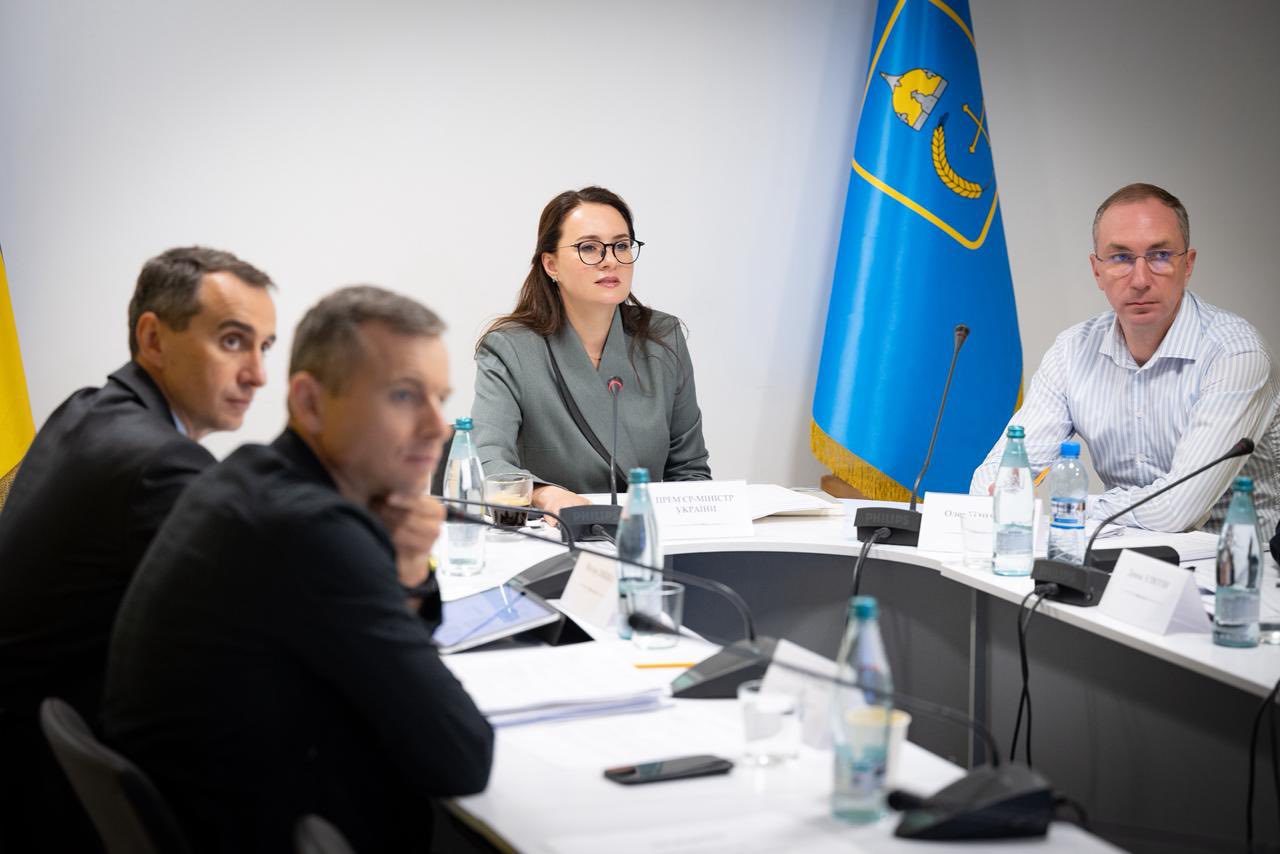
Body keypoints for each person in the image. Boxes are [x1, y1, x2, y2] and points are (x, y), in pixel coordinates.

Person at [104, 286, 493, 853]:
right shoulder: (312, 531)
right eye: (405, 396)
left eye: (441, 397)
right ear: (310, 403)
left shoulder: (250, 475)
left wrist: (408, 565)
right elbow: (461, 757)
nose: (438, 426)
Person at [0, 246, 276, 850]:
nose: (257, 374)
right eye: (233, 342)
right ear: (153, 339)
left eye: (265, 347)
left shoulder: (87, 409)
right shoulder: (160, 464)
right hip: (53, 792)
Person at [970, 183, 1279, 536]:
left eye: (1160, 255)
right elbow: (991, 481)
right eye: (1120, 258)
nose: (1140, 280)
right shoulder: (1073, 350)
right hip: (1119, 555)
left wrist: (1067, 506)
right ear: (1096, 270)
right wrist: (1008, 493)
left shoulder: (1236, 353)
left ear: (1188, 265)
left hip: (1235, 562)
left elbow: (1177, 512)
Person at [472, 186, 711, 518]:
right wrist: (543, 494)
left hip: (642, 531)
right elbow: (487, 461)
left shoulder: (662, 337)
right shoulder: (510, 348)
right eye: (589, 248)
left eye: (621, 245)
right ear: (551, 265)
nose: (610, 260)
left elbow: (690, 470)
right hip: (554, 532)